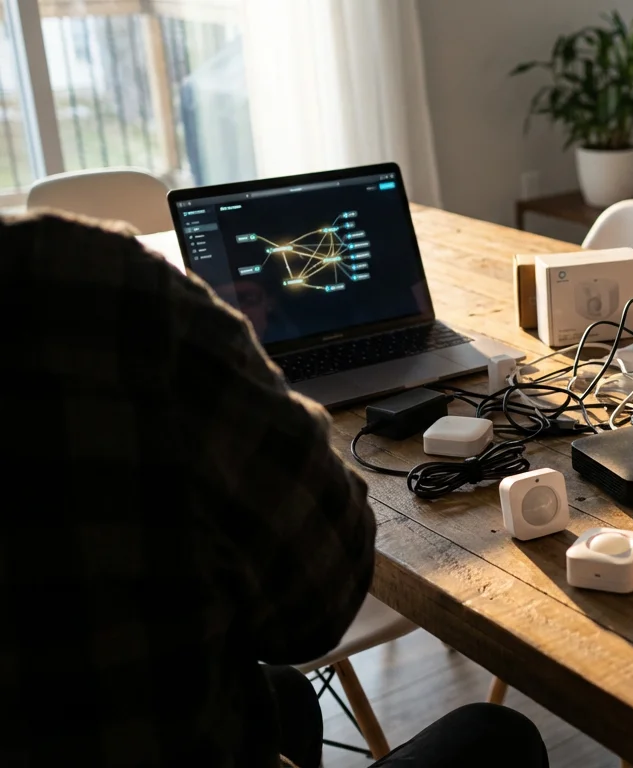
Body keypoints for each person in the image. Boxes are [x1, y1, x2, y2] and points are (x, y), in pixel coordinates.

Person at [0, 211, 547, 766]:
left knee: (285, 695)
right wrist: (266, 389)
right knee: (497, 737)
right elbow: (316, 612)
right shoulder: (104, 287)